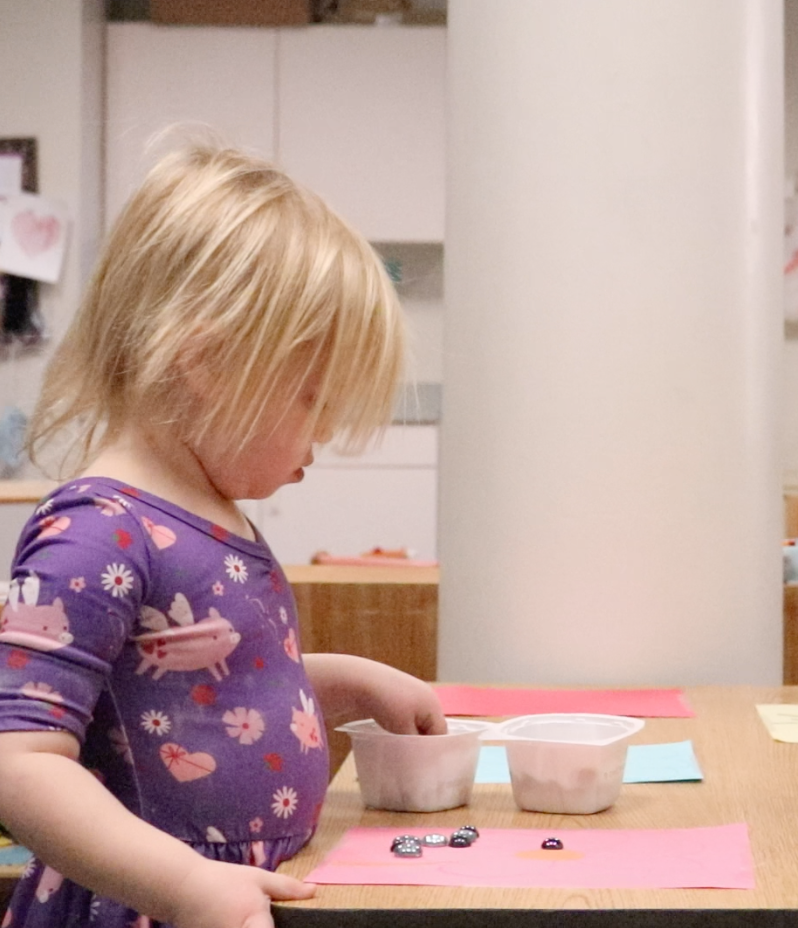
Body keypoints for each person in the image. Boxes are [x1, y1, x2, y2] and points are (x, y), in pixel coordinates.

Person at [0, 144, 448, 928]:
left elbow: (200, 690)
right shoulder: (97, 535)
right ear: (206, 363)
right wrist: (182, 885)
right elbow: (18, 761)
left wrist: (347, 682)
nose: (329, 431)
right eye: (313, 399)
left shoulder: (215, 518)